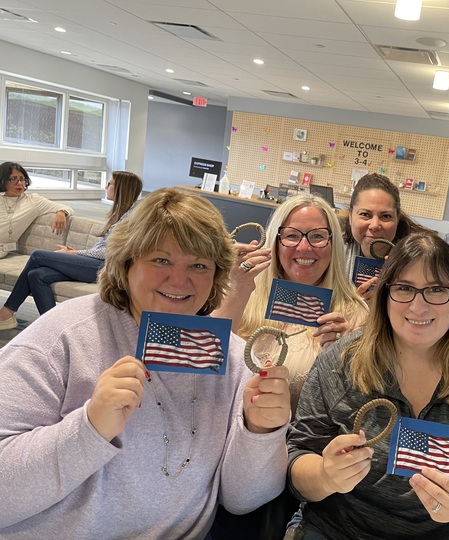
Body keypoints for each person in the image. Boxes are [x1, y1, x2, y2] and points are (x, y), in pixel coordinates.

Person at [0, 188, 291, 538]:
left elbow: (243, 500)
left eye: (198, 265)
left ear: (217, 275)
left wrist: (261, 431)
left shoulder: (232, 359)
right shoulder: (62, 337)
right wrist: (90, 428)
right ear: (126, 262)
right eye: (161, 260)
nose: (180, 280)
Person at [286, 232, 449, 540]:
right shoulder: (341, 361)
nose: (418, 307)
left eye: (436, 289)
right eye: (404, 288)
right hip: (339, 530)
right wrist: (325, 475)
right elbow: (296, 459)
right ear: (385, 294)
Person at [215, 193, 368, 412]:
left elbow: (355, 408)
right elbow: (208, 372)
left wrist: (342, 360)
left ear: (333, 244)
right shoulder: (243, 293)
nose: (304, 247)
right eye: (292, 235)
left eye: (317, 236)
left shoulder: (355, 317)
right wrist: (234, 293)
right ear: (275, 242)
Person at [0, 171, 143, 329]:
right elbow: (102, 248)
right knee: (37, 275)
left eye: (110, 183)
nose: (106, 186)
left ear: (122, 188)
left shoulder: (131, 219)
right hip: (94, 262)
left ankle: (8, 310)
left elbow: (109, 254)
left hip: (105, 268)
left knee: (37, 256)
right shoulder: (119, 214)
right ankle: (53, 328)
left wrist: (75, 254)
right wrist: (76, 253)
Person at [341, 172, 429, 299]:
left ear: (397, 219)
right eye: (365, 214)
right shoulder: (334, 252)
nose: (375, 225)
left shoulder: (417, 258)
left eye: (386, 216)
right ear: (350, 216)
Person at [0, 161, 73, 259]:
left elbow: (66, 208)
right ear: (3, 181)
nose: (20, 183)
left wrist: (61, 212)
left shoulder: (34, 201)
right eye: (13, 179)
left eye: (22, 179)